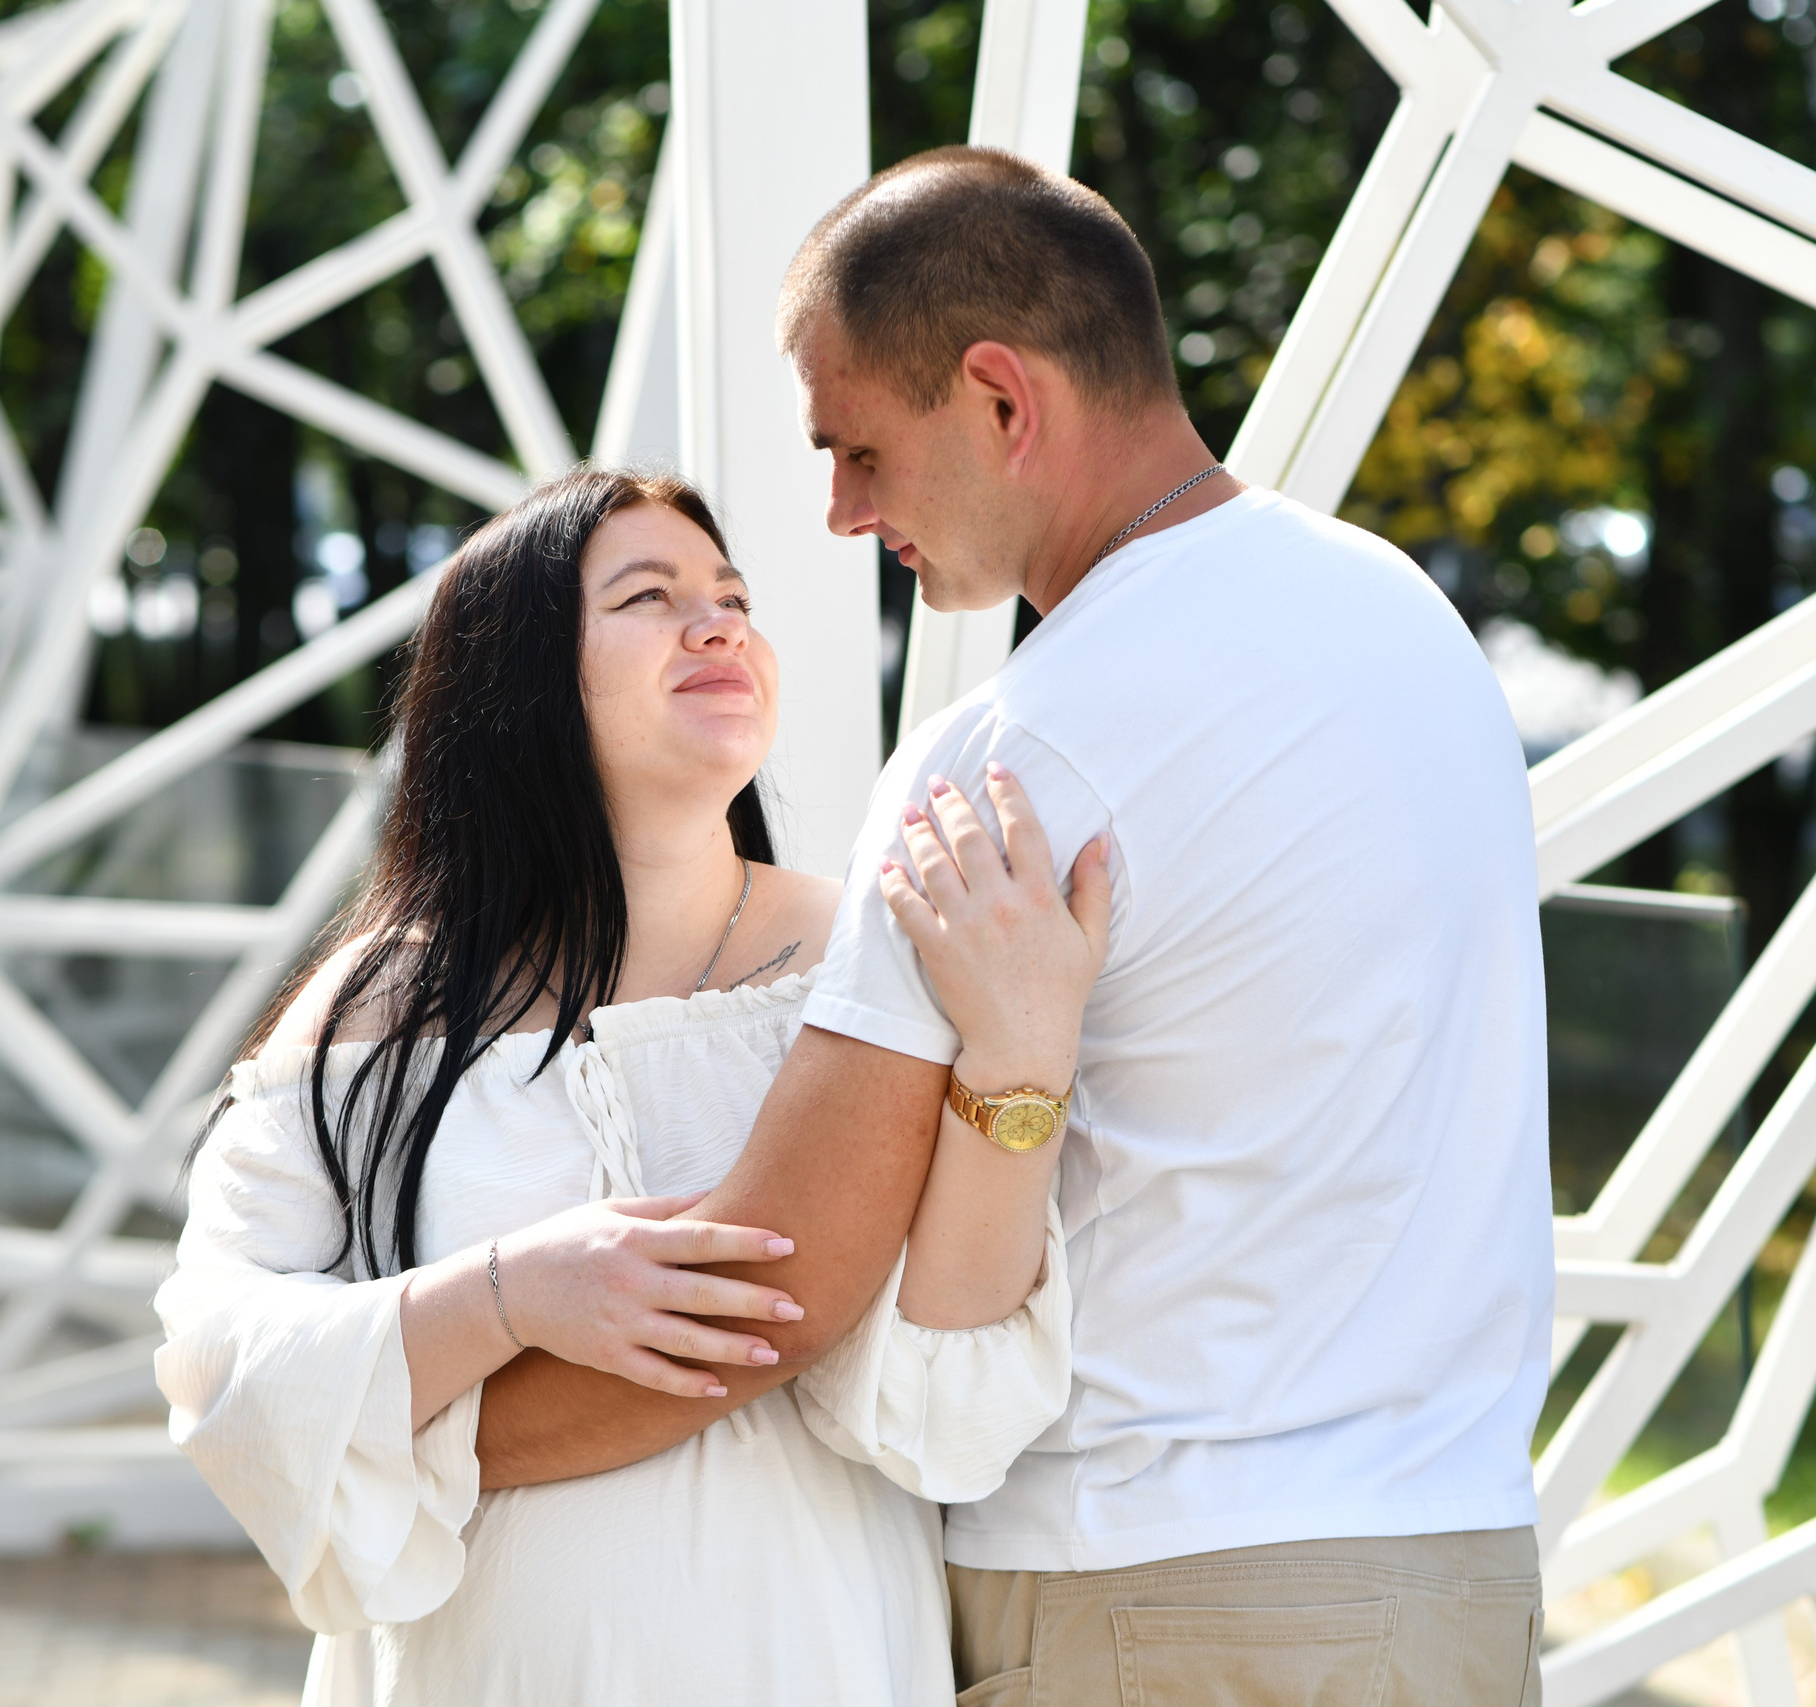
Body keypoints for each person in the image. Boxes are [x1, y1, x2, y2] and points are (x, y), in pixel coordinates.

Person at [471, 148, 1555, 1704]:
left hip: (1149, 1593)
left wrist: (402, 1436)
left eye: (858, 449)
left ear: (1000, 398)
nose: (843, 512)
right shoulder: (1408, 625)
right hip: (1455, 1570)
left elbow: (776, 1281)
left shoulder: (1016, 759)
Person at [154, 467, 1109, 1705]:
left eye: (732, 598)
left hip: (805, 1658)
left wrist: (1020, 1063)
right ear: (517, 678)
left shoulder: (870, 963)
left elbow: (949, 1415)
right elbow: (224, 1367)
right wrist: (509, 1295)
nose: (717, 626)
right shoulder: (373, 1011)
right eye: (648, 597)